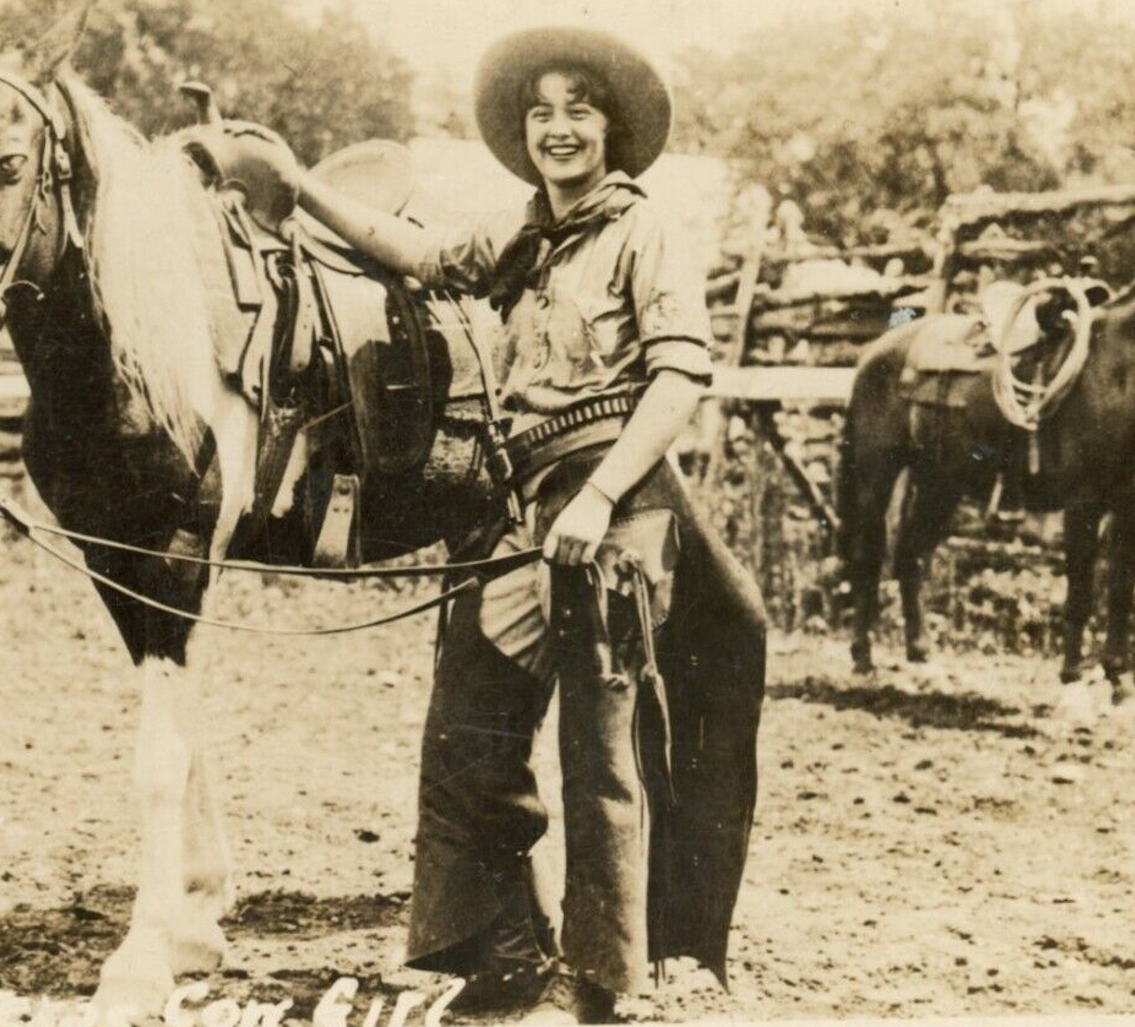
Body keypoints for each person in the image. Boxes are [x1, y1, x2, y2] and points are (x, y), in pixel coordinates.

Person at [259, 25, 767, 1023]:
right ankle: (485, 944)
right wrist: (296, 180)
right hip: (524, 500)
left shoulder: (641, 232)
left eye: (579, 107)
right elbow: (417, 254)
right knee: (467, 721)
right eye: (541, 110)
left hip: (618, 500)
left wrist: (599, 496)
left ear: (611, 128)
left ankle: (599, 979)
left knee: (598, 736)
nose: (558, 126)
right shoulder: (519, 236)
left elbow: (678, 377)